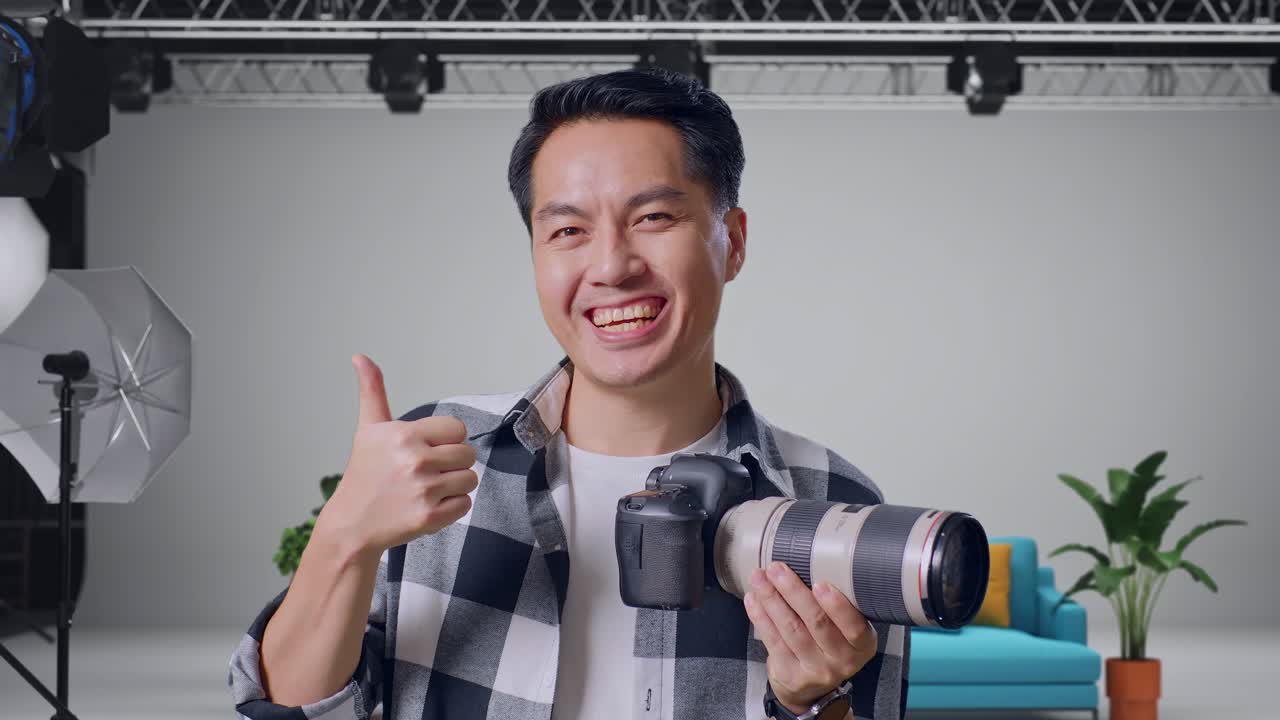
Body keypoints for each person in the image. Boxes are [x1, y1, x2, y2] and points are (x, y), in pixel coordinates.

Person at [228, 67, 910, 720]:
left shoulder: (837, 508)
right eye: (568, 231)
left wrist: (814, 705)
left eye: (653, 218)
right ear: (534, 253)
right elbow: (294, 711)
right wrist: (345, 535)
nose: (610, 265)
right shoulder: (430, 456)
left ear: (730, 242)